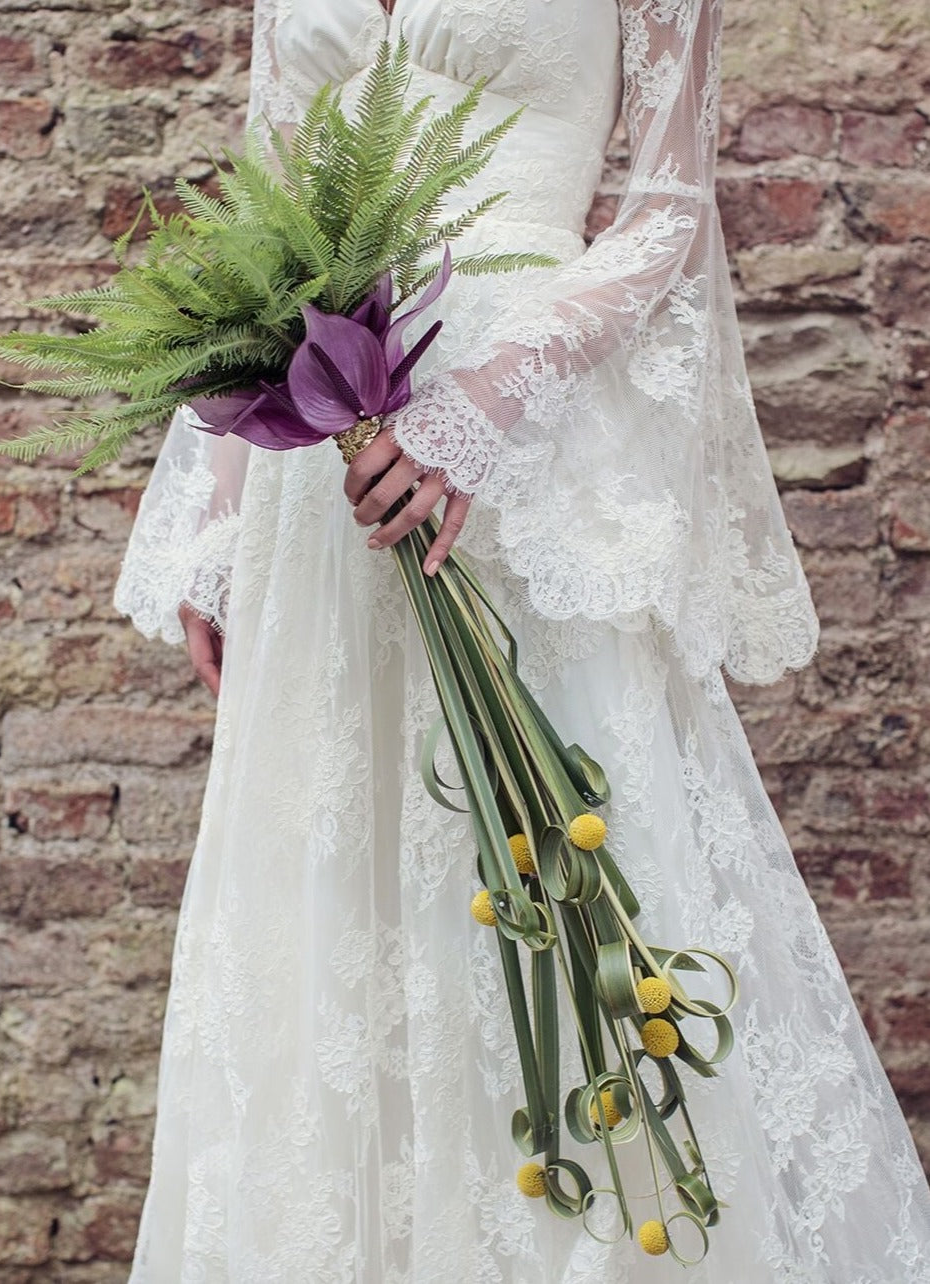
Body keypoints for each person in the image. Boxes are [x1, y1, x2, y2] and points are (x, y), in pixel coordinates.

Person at [114, 0, 930, 1279]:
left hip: (513, 446)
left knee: (564, 883)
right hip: (317, 479)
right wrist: (216, 524)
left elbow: (667, 205)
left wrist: (494, 400)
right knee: (328, 905)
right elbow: (260, 235)